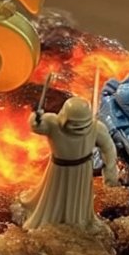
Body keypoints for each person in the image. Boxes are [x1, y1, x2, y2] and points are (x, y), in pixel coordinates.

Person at [26, 96, 118, 231]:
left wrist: (110, 172)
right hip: (58, 169)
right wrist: (35, 119)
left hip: (82, 170)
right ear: (63, 118)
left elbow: (109, 149)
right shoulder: (53, 124)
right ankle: (50, 221)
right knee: (53, 196)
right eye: (73, 123)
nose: (78, 128)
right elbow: (38, 127)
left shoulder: (96, 128)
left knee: (79, 203)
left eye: (82, 123)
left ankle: (78, 222)